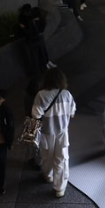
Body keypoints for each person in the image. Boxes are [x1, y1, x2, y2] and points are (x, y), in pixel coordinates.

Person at [31, 66, 76, 198]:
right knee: (61, 159)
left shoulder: (41, 95)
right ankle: (59, 188)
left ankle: (48, 176)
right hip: (62, 132)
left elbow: (36, 115)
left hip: (46, 132)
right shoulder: (67, 94)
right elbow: (72, 113)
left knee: (47, 157)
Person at [18, 4, 49, 75]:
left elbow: (29, 32)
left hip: (33, 40)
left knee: (35, 57)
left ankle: (37, 72)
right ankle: (44, 68)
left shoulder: (32, 23)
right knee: (42, 54)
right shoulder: (41, 20)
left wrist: (23, 28)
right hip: (40, 39)